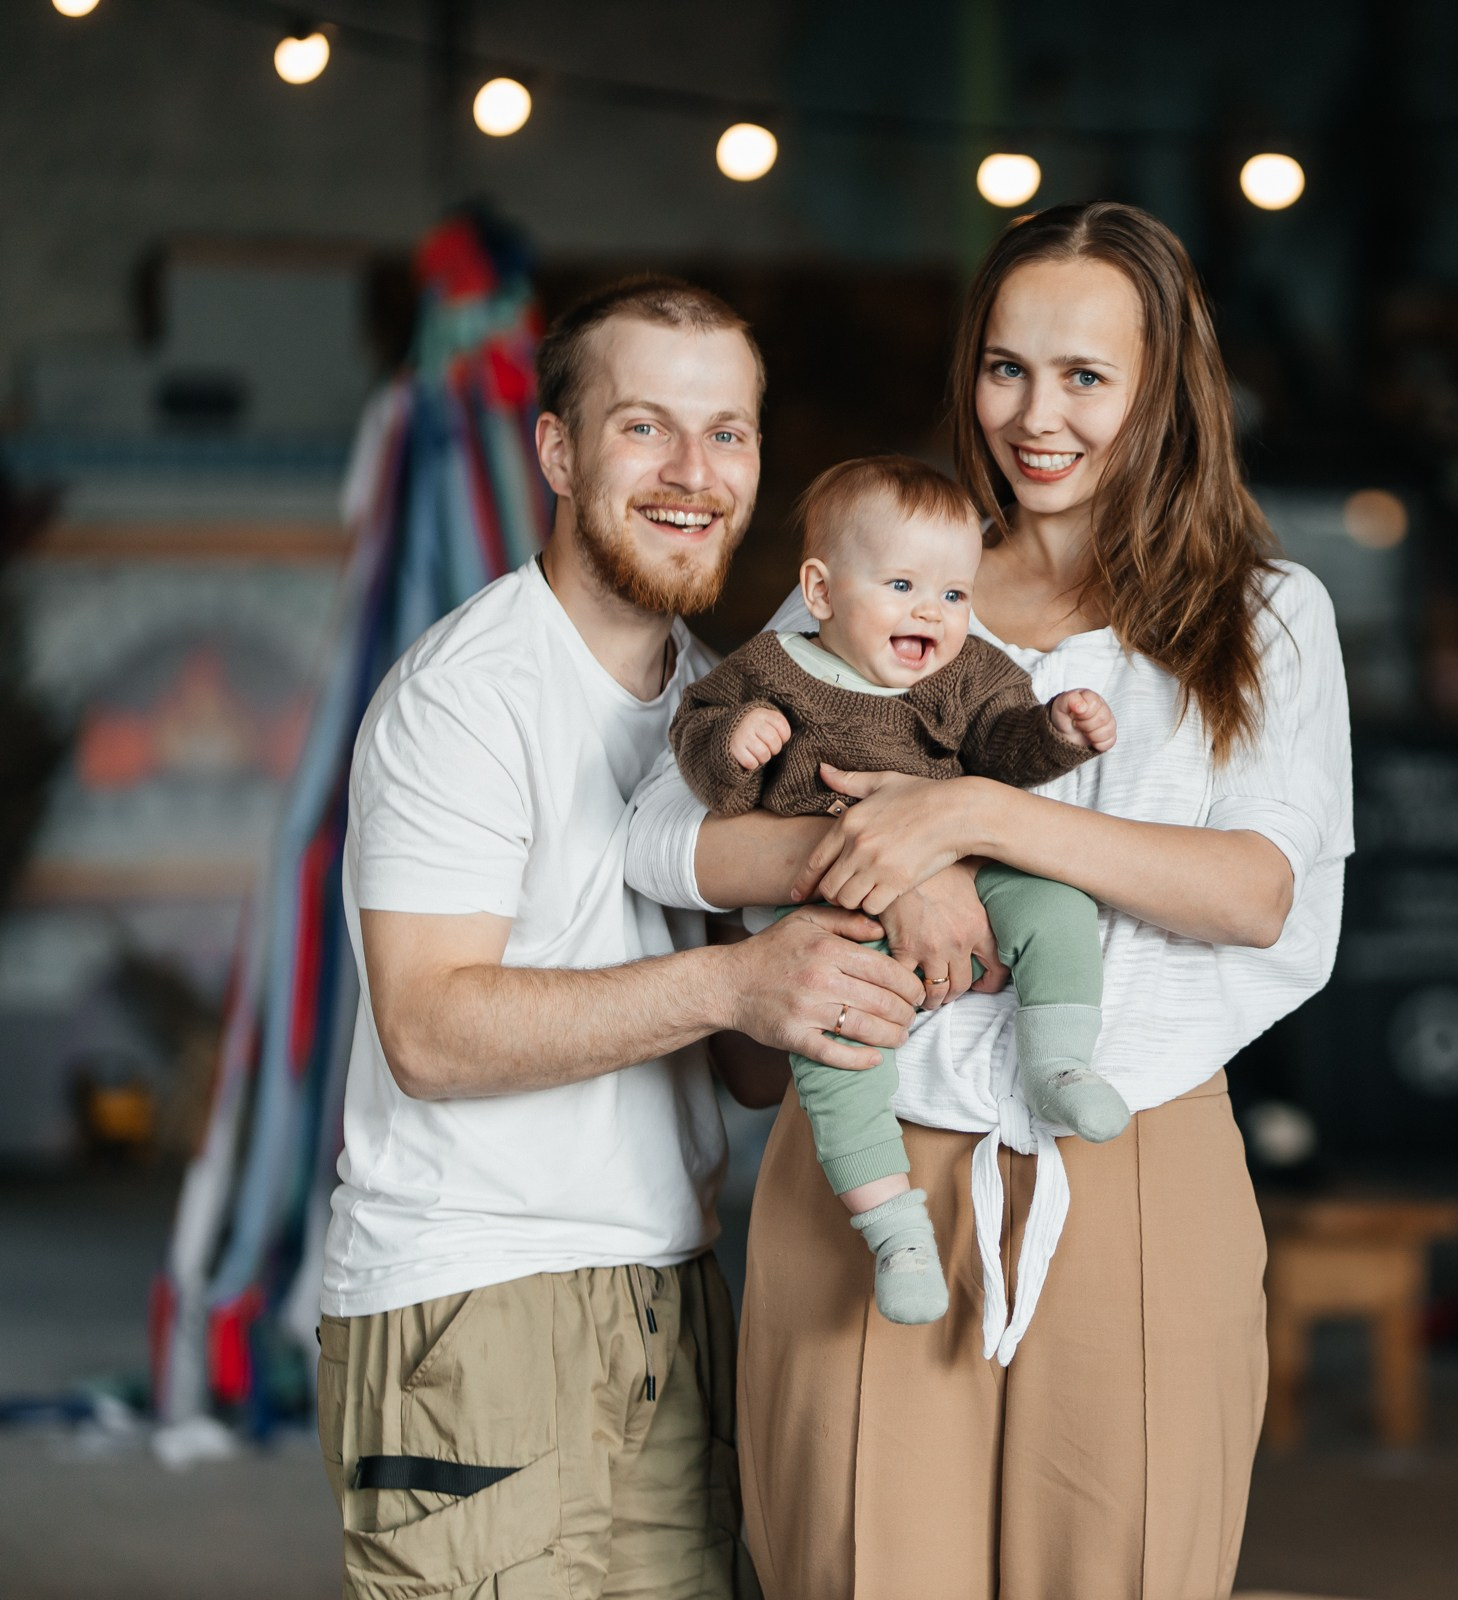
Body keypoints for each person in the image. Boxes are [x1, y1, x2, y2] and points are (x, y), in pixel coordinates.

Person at [627, 202, 1354, 1599]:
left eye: (1087, 376)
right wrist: (883, 866)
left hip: (1138, 1156)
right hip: (869, 1164)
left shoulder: (1262, 617)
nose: (1040, 416)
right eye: (1007, 367)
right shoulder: (880, 581)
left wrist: (967, 814)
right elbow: (671, 839)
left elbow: (1257, 892)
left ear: (1162, 393)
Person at [315, 276, 925, 1600]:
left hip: (671, 1289)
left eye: (729, 433)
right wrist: (736, 977)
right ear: (557, 449)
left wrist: (846, 930)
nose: (694, 473)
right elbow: (427, 1030)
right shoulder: (467, 700)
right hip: (476, 1300)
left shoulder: (729, 706)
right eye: (645, 427)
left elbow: (748, 1064)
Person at [668, 452, 1125, 1327]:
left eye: (955, 594)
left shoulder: (967, 675)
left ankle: (1060, 1059)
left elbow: (1006, 752)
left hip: (972, 883)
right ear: (823, 590)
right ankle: (894, 1232)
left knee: (1058, 904)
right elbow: (699, 755)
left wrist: (1056, 734)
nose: (933, 612)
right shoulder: (770, 671)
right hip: (835, 919)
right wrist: (737, 743)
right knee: (837, 1059)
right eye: (905, 584)